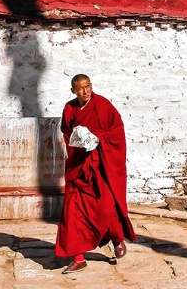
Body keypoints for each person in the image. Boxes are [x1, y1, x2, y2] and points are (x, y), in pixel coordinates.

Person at [55, 74, 136, 273]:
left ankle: (117, 239)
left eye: (88, 87)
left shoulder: (103, 105)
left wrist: (98, 139)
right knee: (73, 214)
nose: (86, 92)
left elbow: (117, 132)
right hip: (78, 168)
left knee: (106, 209)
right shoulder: (70, 108)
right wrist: (79, 141)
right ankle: (79, 257)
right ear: (73, 90)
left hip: (101, 167)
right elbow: (67, 132)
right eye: (81, 88)